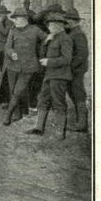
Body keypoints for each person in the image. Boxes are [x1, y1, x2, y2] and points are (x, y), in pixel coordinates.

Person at [25, 12, 73, 140]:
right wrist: (46, 42)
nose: (49, 27)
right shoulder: (52, 38)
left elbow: (67, 59)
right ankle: (39, 127)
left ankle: (59, 132)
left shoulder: (65, 39)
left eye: (52, 25)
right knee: (42, 99)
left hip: (60, 76)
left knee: (58, 103)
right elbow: (43, 55)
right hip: (49, 75)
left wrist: (49, 62)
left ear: (59, 26)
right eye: (49, 25)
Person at [2, 8, 47, 125]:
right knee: (13, 91)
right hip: (12, 66)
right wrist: (12, 53)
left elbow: (47, 39)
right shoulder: (13, 31)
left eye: (16, 19)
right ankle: (17, 113)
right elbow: (7, 47)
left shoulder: (35, 30)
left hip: (28, 67)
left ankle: (8, 116)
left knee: (17, 91)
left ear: (24, 19)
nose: (15, 21)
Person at [65, 8, 89, 132]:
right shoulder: (73, 32)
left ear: (73, 21)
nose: (66, 22)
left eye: (67, 20)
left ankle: (82, 124)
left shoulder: (78, 34)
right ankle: (80, 121)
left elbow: (82, 54)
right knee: (73, 93)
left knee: (78, 94)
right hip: (73, 70)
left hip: (77, 70)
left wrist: (71, 67)